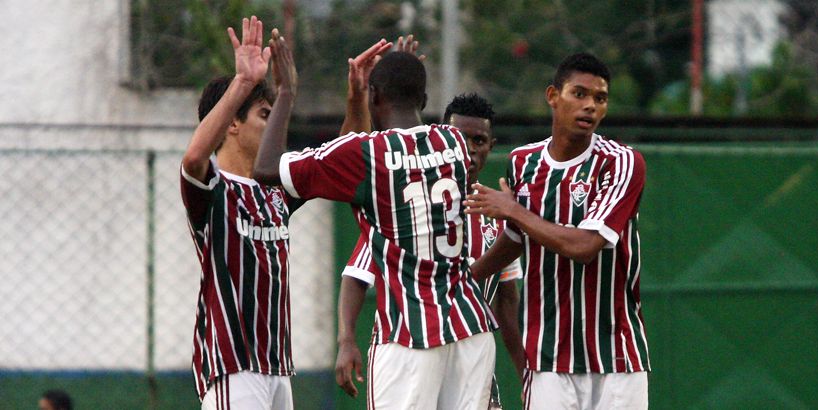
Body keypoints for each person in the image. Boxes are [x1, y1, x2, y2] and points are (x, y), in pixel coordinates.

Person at [253, 50, 498, 409]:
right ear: (424, 99)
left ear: (376, 96)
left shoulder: (366, 153)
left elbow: (266, 169)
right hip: (470, 328)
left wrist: (287, 92)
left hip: (410, 335)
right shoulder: (454, 143)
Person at [465, 53, 650, 409]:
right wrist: (463, 281)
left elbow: (585, 247)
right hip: (548, 358)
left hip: (617, 358)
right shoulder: (523, 162)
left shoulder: (623, 162)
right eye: (578, 94)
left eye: (600, 98)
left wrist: (514, 210)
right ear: (553, 96)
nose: (590, 107)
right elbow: (515, 239)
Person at [334, 92, 524, 410]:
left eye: (479, 140)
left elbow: (506, 300)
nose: (471, 149)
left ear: (491, 145)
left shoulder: (497, 212)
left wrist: (524, 372)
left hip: (468, 358)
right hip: (411, 351)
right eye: (462, 139)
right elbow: (356, 274)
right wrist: (346, 338)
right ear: (444, 139)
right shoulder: (408, 204)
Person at [180, 16, 301, 409]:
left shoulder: (274, 190)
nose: (273, 126)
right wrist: (243, 83)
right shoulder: (213, 188)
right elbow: (194, 157)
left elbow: (341, 160)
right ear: (232, 123)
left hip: (278, 365)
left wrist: (355, 97)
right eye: (263, 115)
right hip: (234, 366)